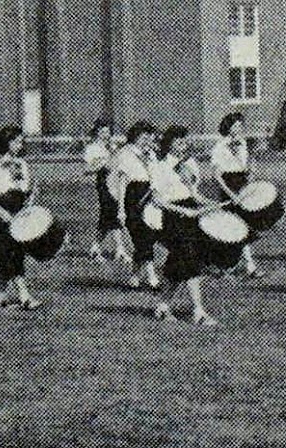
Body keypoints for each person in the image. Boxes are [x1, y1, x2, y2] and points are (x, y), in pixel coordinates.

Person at [148, 125, 224, 325]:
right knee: (191, 260)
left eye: (184, 140)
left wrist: (213, 205)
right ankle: (198, 312)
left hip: (190, 214)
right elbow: (156, 200)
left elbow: (194, 195)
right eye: (178, 141)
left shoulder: (188, 165)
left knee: (177, 262)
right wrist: (182, 210)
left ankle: (162, 306)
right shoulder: (159, 166)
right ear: (169, 143)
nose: (183, 144)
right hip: (173, 217)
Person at [0, 126, 41, 311]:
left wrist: (31, 196)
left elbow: (24, 189)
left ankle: (0, 296)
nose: (19, 145)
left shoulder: (22, 164)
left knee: (17, 254)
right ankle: (24, 296)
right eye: (15, 142)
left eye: (21, 142)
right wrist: (2, 213)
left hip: (18, 210)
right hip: (0, 213)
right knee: (6, 253)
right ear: (6, 142)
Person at [210, 113, 263, 279]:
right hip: (228, 185)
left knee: (244, 224)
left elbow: (246, 168)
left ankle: (243, 264)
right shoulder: (219, 147)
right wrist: (231, 195)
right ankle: (239, 265)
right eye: (235, 126)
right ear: (228, 127)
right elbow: (217, 175)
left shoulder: (243, 144)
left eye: (241, 125)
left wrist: (251, 169)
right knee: (232, 227)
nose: (239, 129)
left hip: (242, 184)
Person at [111, 121, 161, 289]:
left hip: (149, 195)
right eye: (144, 136)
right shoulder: (126, 154)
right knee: (141, 236)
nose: (147, 140)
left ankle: (134, 275)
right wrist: (120, 209)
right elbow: (122, 182)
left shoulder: (151, 154)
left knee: (147, 236)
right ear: (136, 136)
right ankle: (152, 276)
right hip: (133, 196)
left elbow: (156, 177)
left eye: (149, 136)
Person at [82, 120, 126, 262]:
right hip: (104, 182)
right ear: (97, 132)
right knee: (111, 213)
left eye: (107, 132)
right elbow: (87, 169)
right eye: (102, 132)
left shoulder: (112, 146)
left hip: (116, 181)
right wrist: (102, 164)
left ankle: (98, 248)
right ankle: (118, 249)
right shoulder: (92, 148)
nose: (106, 135)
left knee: (109, 216)